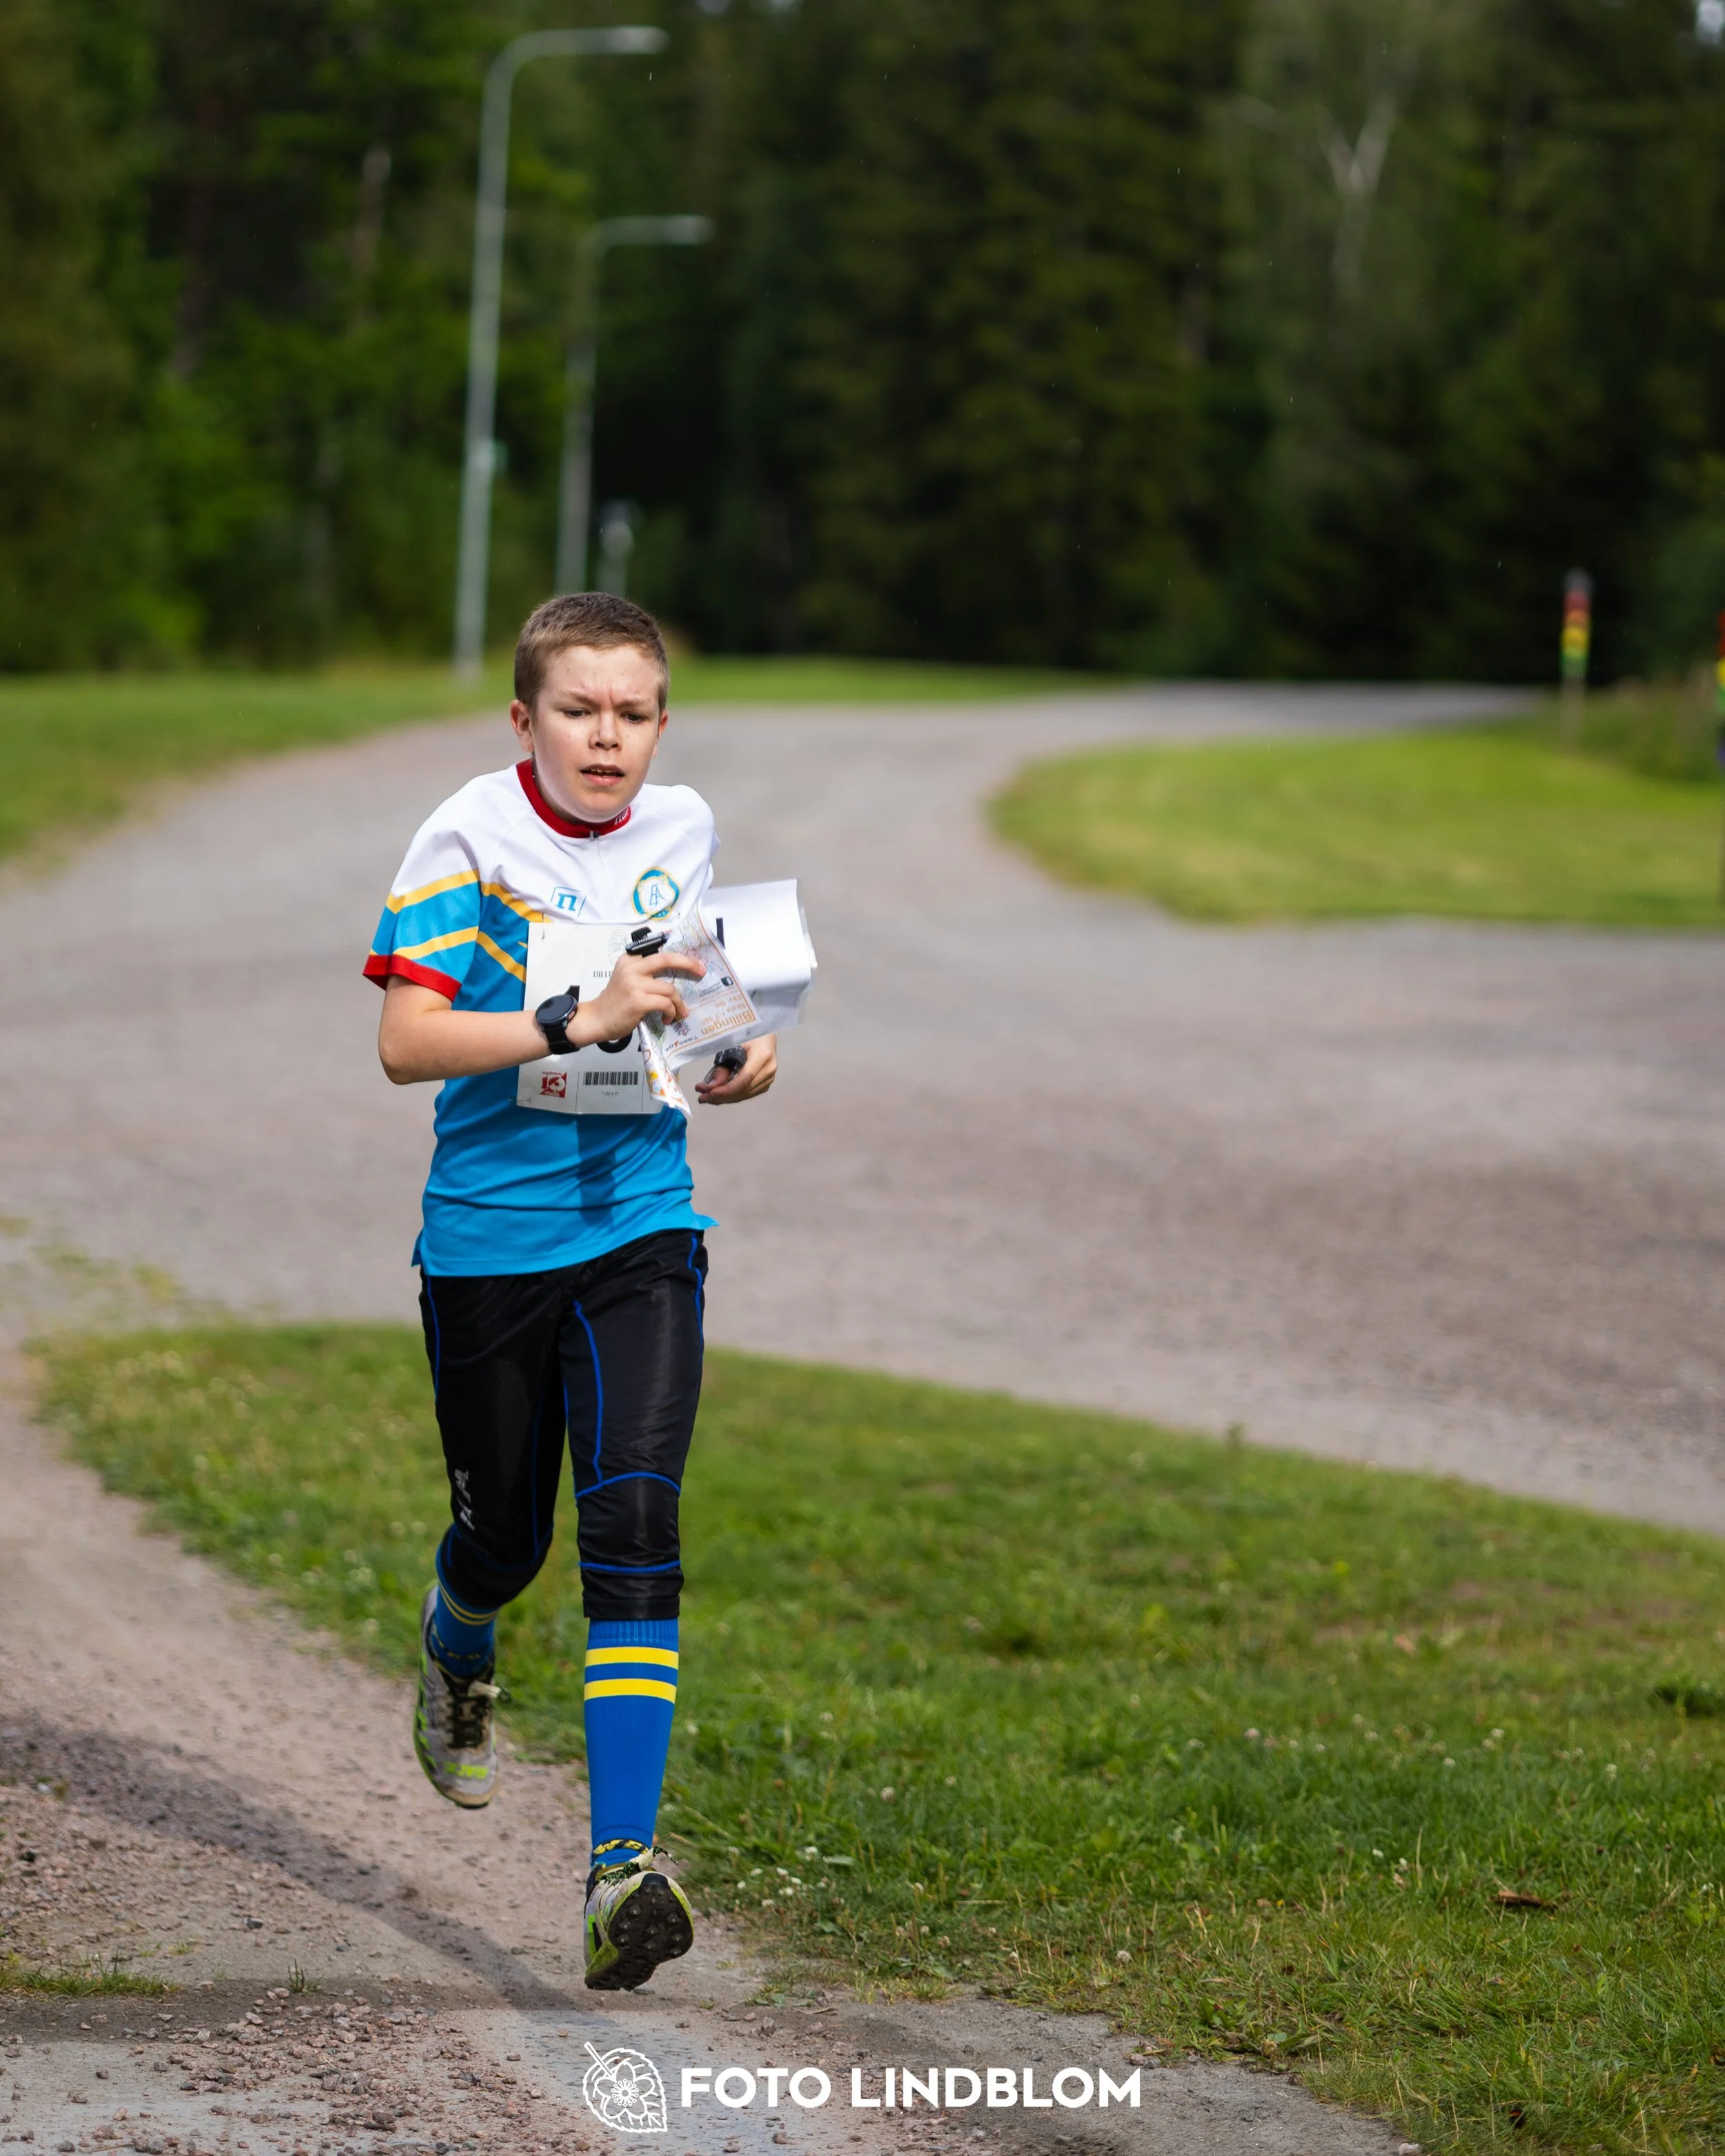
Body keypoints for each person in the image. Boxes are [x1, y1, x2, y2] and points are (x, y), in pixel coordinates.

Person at [364, 592, 776, 1990]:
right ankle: (454, 1637)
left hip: (641, 1225)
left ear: (661, 722)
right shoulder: (465, 838)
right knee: (506, 1540)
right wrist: (569, 1016)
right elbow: (405, 1041)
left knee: (638, 1520)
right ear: (525, 718)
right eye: (579, 708)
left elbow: (694, 997)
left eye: (634, 711)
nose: (607, 736)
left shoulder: (684, 827)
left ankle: (619, 1874)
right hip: (488, 1240)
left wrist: (731, 1049)